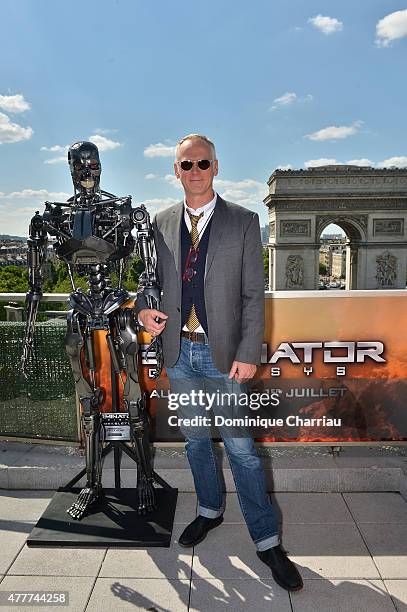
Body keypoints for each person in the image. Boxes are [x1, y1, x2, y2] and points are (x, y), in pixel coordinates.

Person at [136, 134, 302, 591]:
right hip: (180, 351)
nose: (195, 171)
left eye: (202, 163)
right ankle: (209, 510)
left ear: (215, 167)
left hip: (224, 357)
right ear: (175, 171)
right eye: (186, 164)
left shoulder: (244, 222)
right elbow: (147, 282)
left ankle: (267, 541)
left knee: (242, 450)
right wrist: (142, 308)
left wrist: (249, 353)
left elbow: (253, 295)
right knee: (194, 443)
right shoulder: (160, 222)